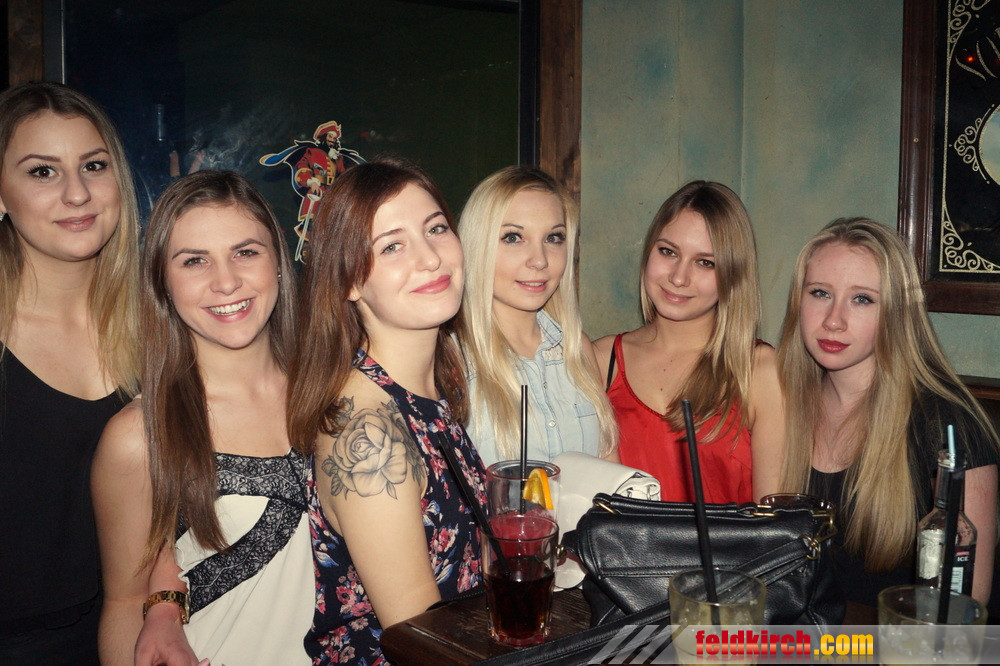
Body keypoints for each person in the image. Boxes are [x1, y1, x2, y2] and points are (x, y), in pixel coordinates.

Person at [92, 171, 313, 664]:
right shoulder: (140, 436)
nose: (226, 281)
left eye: (245, 252)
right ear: (163, 284)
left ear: (279, 263)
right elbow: (124, 604)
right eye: (195, 261)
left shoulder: (334, 395)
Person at [287, 157, 486, 664]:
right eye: (392, 246)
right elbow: (423, 643)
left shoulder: (426, 390)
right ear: (349, 282)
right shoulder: (369, 428)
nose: (431, 258)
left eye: (436, 229)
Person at [777, 217, 999, 606]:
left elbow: (963, 607)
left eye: (862, 299)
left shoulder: (947, 427)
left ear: (897, 312)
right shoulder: (779, 404)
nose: (833, 320)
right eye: (820, 293)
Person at [0, 82, 140, 664]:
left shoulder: (159, 328)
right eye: (42, 172)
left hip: (135, 633)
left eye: (94, 165)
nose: (77, 193)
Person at [594, 180, 783, 503]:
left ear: (734, 275)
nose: (679, 277)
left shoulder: (760, 370)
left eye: (705, 262)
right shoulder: (601, 359)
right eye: (668, 252)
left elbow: (775, 521)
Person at [457, 166, 617, 466]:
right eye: (513, 237)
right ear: (477, 244)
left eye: (553, 238)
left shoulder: (577, 350)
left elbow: (609, 476)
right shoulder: (449, 359)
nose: (540, 260)